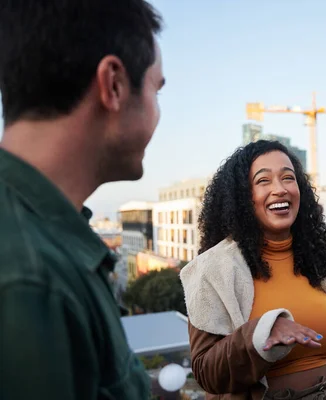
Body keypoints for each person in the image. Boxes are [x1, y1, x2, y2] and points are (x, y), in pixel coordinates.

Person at [0, 1, 164, 399]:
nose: (159, 114)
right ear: (114, 85)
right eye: (157, 90)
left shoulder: (35, 236)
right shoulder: (32, 281)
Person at [180, 140, 326, 399]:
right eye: (263, 181)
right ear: (243, 196)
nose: (280, 189)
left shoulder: (319, 261)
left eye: (288, 178)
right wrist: (262, 332)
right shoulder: (213, 268)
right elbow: (206, 372)